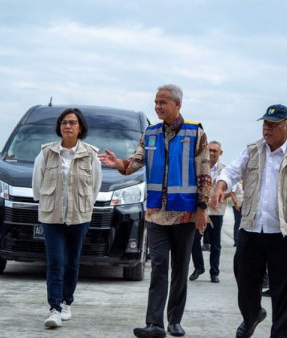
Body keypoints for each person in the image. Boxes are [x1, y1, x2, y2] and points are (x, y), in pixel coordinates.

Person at [98, 84, 211, 338]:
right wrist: (119, 164)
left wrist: (202, 208)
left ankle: (174, 321)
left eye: (163, 102)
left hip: (184, 213)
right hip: (155, 214)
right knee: (159, 264)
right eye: (156, 102)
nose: (158, 106)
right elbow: (135, 163)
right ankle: (154, 324)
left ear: (177, 105)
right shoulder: (149, 133)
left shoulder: (195, 133)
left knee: (180, 269)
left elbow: (204, 172)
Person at [212, 104, 287, 338]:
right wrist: (220, 186)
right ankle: (252, 315)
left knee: (284, 292)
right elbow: (230, 172)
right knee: (245, 283)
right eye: (265, 124)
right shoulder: (252, 151)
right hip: (252, 229)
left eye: (273, 125)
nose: (267, 129)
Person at [32, 108, 102, 329]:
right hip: (51, 217)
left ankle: (66, 302)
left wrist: (84, 205)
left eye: (72, 122)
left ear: (80, 127)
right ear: (59, 127)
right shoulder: (46, 153)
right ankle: (54, 309)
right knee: (55, 262)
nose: (67, 126)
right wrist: (46, 203)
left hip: (79, 216)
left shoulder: (91, 154)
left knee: (72, 262)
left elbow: (95, 187)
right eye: (64, 122)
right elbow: (37, 186)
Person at [189, 140, 229, 283]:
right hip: (200, 210)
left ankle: (214, 272)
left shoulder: (225, 170)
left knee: (215, 243)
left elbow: (231, 190)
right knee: (194, 240)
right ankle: (199, 267)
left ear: (220, 153)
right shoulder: (198, 167)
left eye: (215, 151)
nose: (211, 153)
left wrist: (218, 197)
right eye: (209, 150)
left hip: (216, 211)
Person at [231, 180, 244, 246]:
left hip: (245, 204)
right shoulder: (236, 182)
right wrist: (236, 204)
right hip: (238, 204)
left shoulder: (246, 181)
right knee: (238, 222)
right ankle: (236, 239)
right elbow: (232, 194)